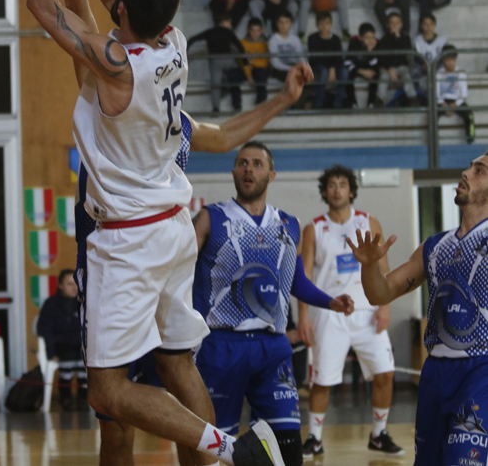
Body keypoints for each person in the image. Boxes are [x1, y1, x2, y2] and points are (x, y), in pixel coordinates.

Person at [27, 0, 286, 466]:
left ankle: (231, 448)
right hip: (172, 227)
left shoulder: (117, 69)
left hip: (130, 241)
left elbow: (42, 2)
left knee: (108, 392)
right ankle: (224, 452)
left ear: (122, 14)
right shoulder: (173, 43)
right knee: (176, 361)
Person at [192, 142, 354, 466]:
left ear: (271, 174)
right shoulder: (211, 217)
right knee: (215, 450)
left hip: (273, 348)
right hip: (221, 346)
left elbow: (296, 281)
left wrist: (331, 302)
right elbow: (177, 270)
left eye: (257, 163)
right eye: (242, 163)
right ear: (233, 172)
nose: (248, 169)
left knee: (289, 448)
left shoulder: (289, 224)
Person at [346, 152, 488, 466]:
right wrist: (369, 266)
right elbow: (381, 293)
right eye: (469, 167)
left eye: (479, 170)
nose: (466, 173)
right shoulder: (434, 246)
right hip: (435, 372)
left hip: (480, 370)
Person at [298, 165, 404, 458]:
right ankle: (315, 438)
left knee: (385, 373)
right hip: (330, 313)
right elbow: (304, 276)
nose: (337, 190)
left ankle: (378, 434)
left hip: (368, 311)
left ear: (352, 191)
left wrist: (385, 306)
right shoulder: (313, 228)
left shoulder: (369, 222)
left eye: (342, 184)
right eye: (331, 185)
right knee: (322, 380)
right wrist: (303, 315)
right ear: (324, 192)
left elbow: (384, 268)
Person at [37, 269, 87, 411]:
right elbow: (45, 330)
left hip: (81, 346)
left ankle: (83, 398)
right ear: (60, 285)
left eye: (76, 284)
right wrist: (51, 353)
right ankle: (66, 398)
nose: (74, 288)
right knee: (67, 365)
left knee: (85, 364)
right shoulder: (51, 304)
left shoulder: (84, 303)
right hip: (61, 346)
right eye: (69, 284)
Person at [187, 13, 250, 113]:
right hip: (229, 60)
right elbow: (240, 47)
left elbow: (192, 39)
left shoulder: (209, 32)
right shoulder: (228, 32)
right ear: (225, 22)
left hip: (215, 60)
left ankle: (216, 107)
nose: (230, 25)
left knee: (215, 84)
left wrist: (186, 51)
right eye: (229, 22)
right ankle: (236, 104)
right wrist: (245, 62)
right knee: (235, 79)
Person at [307, 12, 348, 109]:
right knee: (324, 72)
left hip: (333, 66)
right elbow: (315, 58)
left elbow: (338, 57)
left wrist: (332, 68)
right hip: (317, 65)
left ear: (331, 24)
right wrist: (330, 68)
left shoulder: (336, 39)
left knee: (344, 72)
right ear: (317, 25)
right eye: (321, 24)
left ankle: (338, 104)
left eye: (327, 23)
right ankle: (318, 104)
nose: (324, 26)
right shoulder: (312, 38)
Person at [377, 12, 419, 107]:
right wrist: (389, 69)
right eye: (392, 23)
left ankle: (413, 98)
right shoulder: (384, 40)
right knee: (383, 77)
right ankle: (379, 100)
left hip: (402, 66)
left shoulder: (405, 38)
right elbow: (382, 57)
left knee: (406, 77)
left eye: (397, 22)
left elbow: (406, 53)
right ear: (388, 25)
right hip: (388, 67)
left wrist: (398, 38)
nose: (394, 25)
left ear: (401, 24)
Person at [437, 44, 475, 144]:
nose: (450, 63)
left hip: (457, 100)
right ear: (443, 60)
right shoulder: (439, 73)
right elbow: (436, 93)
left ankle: (470, 139)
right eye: (447, 60)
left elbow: (464, 94)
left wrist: (456, 104)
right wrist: (442, 103)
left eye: (452, 60)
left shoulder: (461, 73)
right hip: (443, 100)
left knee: (469, 115)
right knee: (432, 114)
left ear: (456, 59)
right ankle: (433, 140)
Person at [344, 23, 382, 108]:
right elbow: (347, 62)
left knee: (377, 74)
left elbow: (376, 65)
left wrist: (370, 52)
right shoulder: (354, 44)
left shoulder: (376, 44)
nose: (370, 41)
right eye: (367, 38)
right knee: (347, 75)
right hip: (357, 69)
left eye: (372, 37)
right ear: (360, 38)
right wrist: (360, 71)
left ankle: (371, 103)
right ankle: (352, 103)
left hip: (369, 69)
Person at [413, 14, 447, 94]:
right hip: (422, 68)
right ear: (421, 26)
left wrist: (434, 65)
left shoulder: (442, 40)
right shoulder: (417, 40)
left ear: (434, 25)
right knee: (414, 72)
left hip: (437, 67)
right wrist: (424, 64)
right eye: (425, 24)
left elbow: (444, 57)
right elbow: (416, 57)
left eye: (431, 24)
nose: (428, 27)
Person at [268, 12, 305, 83]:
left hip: (294, 66)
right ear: (277, 24)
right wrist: (291, 68)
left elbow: (301, 57)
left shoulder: (295, 39)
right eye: (281, 22)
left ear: (291, 24)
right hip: (279, 70)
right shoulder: (273, 40)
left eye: (286, 22)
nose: (283, 25)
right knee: (292, 76)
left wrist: (302, 67)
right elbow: (274, 62)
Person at [241, 17, 269, 104]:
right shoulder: (242, 43)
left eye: (258, 31)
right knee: (232, 74)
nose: (255, 34)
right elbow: (242, 62)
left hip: (259, 70)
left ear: (262, 31)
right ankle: (236, 107)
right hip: (246, 70)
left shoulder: (265, 43)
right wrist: (249, 76)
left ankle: (261, 104)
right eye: (252, 30)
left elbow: (265, 63)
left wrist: (252, 62)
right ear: (248, 30)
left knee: (261, 74)